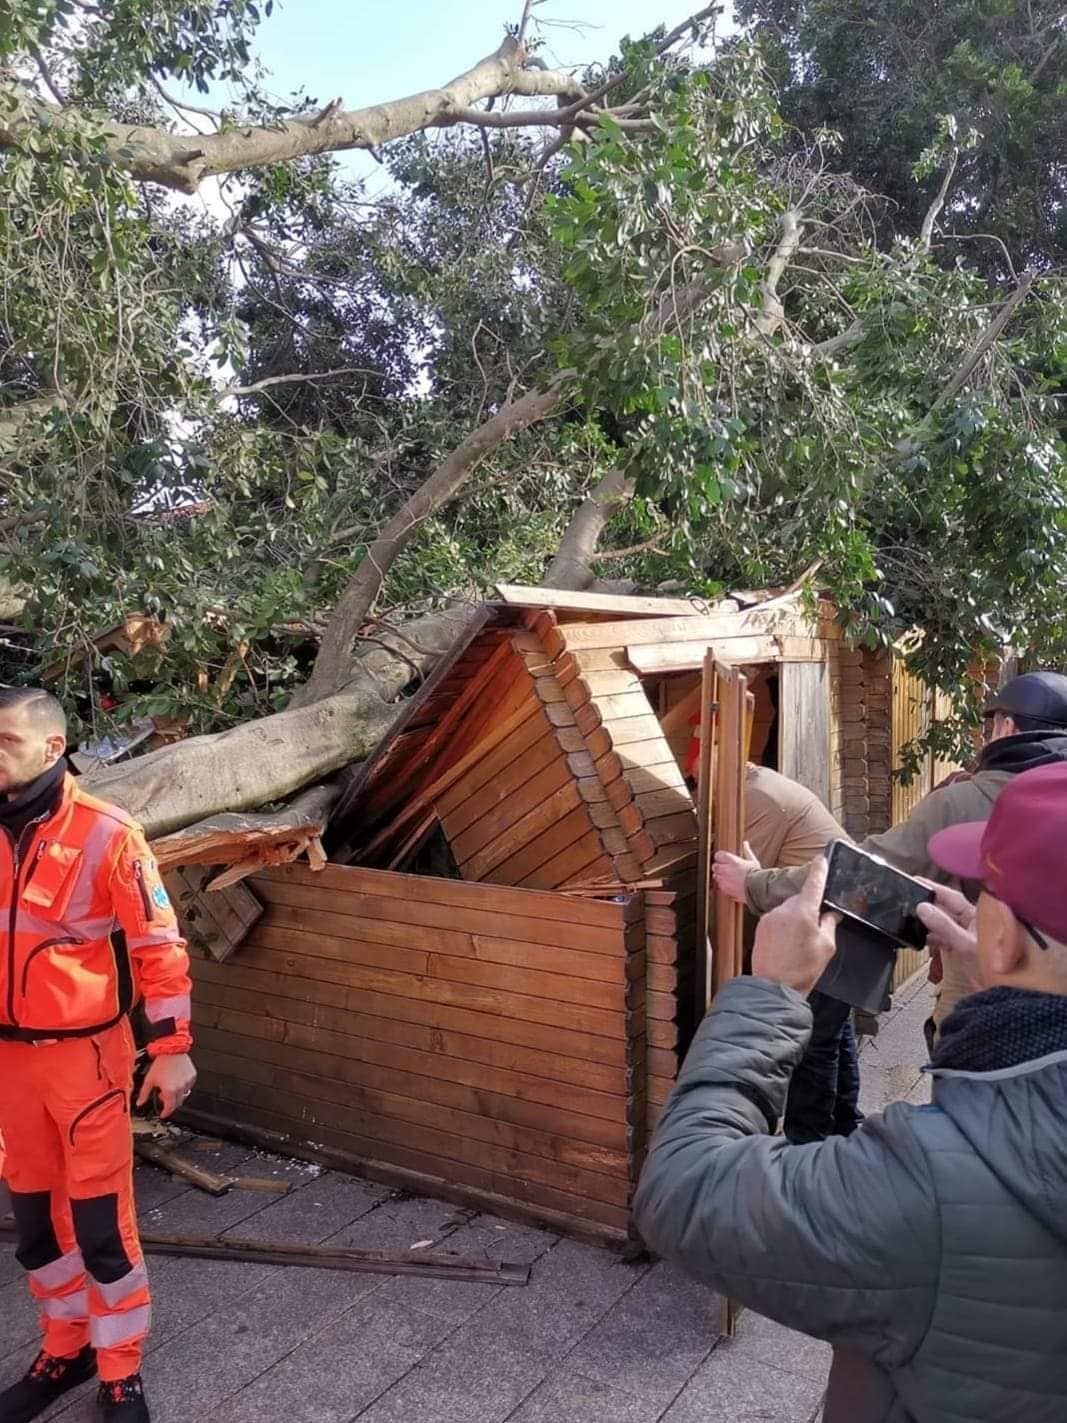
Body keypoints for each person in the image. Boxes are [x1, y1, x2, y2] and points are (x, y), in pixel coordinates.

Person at [634, 761, 1067, 1423]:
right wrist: (996, 979)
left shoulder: (932, 1181)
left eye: (980, 892)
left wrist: (768, 994)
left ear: (1002, 937)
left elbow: (681, 1189)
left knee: (821, 1059)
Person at [0, 688, 195, 1423]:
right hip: (10, 1066)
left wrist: (171, 1049)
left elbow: (158, 946)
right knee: (34, 1219)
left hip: (85, 1061)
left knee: (99, 1224)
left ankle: (120, 1370)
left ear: (52, 749)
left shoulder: (109, 832)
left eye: (5, 740)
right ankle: (65, 1343)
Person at [714, 670, 1067, 1035]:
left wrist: (754, 884)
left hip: (986, 1015)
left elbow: (866, 873)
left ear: (1006, 727)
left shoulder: (966, 801)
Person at [742, 764, 863, 1143]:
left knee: (813, 1046)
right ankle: (844, 1125)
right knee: (835, 1034)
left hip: (829, 928)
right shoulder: (761, 783)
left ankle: (805, 1145)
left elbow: (745, 887)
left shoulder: (754, 797)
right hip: (847, 924)